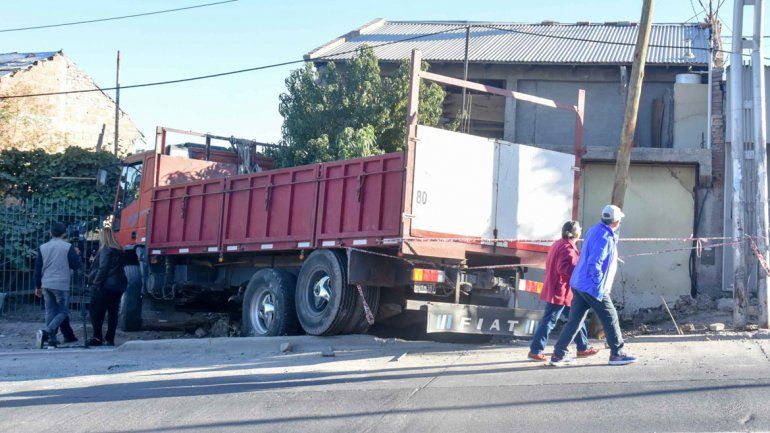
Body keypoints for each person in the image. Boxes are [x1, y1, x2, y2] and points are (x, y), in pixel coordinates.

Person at [550, 205, 638, 367]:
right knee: (610, 317)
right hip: (592, 286)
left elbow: (593, 255)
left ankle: (558, 355)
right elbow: (594, 262)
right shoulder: (605, 236)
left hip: (579, 283)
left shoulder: (594, 229)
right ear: (617, 221)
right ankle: (617, 354)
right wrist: (598, 284)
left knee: (575, 321)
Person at [528, 221, 599, 361]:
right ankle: (535, 350)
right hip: (561, 291)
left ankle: (583, 347)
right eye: (579, 230)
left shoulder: (558, 244)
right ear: (576, 233)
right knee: (550, 321)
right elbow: (564, 269)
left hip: (561, 290)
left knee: (577, 318)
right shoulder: (568, 248)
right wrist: (580, 273)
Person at [34, 221, 81, 349]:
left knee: (50, 311)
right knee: (63, 312)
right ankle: (48, 332)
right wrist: (76, 255)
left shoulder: (43, 247)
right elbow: (76, 265)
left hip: (46, 283)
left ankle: (51, 340)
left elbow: (38, 269)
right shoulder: (67, 247)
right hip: (61, 284)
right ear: (64, 233)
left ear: (51, 233)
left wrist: (38, 286)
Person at [87, 226, 128, 347]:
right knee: (113, 312)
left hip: (105, 285)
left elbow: (103, 268)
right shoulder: (119, 250)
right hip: (118, 285)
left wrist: (96, 283)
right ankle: (110, 339)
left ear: (103, 237)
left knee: (96, 311)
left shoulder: (105, 250)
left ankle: (97, 337)